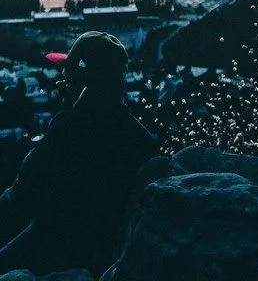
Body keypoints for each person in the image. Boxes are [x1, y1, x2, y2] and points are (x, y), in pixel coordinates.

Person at [0, 31, 157, 277]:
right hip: (105, 255)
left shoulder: (68, 128)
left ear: (81, 84)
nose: (62, 86)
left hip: (54, 243)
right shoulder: (142, 139)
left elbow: (20, 195)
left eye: (67, 78)